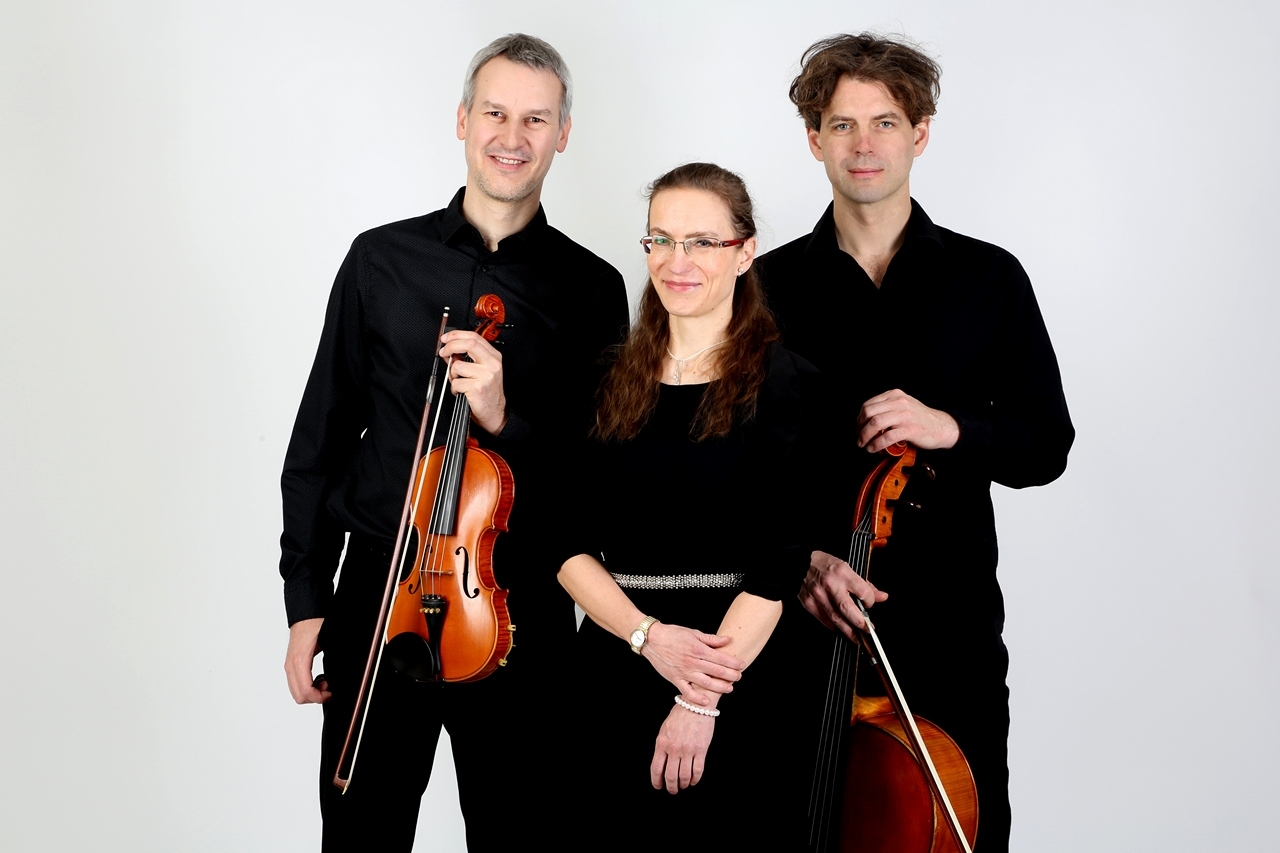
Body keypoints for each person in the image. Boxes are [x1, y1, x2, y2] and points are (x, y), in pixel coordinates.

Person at [278, 34, 628, 851]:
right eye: (496, 113)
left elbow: (598, 478)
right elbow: (319, 437)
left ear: (563, 134)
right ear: (463, 120)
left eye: (536, 119)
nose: (513, 136)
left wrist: (506, 418)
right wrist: (306, 598)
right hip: (380, 588)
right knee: (362, 833)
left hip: (519, 601)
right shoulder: (380, 260)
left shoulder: (593, 288)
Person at [755, 33, 1075, 852]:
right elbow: (730, 463)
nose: (864, 144)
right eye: (842, 124)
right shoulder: (765, 288)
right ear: (814, 138)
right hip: (804, 630)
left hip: (950, 631)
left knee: (959, 835)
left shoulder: (989, 279)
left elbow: (1046, 444)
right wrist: (800, 560)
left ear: (920, 133)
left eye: (885, 122)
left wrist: (952, 427)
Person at [556, 163, 829, 850]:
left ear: (745, 252)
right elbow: (562, 539)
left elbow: (779, 562)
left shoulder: (789, 382)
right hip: (614, 667)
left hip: (742, 679)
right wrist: (647, 636)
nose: (677, 261)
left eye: (703, 242)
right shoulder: (604, 378)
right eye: (662, 239)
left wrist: (698, 700)